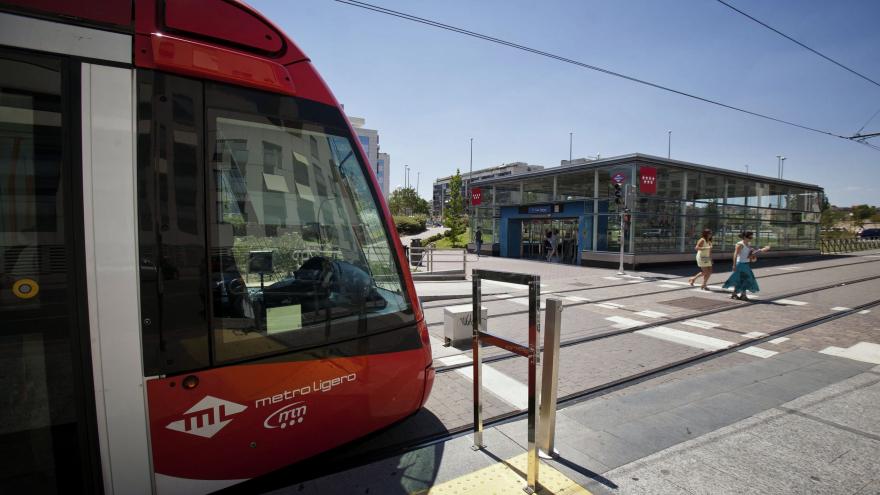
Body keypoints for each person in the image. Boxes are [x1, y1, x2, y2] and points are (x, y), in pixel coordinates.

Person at [722, 231, 770, 301]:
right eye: (749, 237)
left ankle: (737, 294)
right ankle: (742, 295)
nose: (751, 238)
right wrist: (734, 265)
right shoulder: (740, 244)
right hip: (740, 264)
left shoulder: (748, 244)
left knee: (744, 280)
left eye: (752, 237)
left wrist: (761, 250)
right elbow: (735, 254)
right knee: (743, 280)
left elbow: (749, 255)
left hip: (746, 264)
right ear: (744, 237)